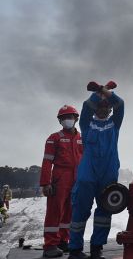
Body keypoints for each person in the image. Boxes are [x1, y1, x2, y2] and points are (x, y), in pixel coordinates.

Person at [69, 81, 124, 259]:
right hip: (87, 173)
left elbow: (120, 104)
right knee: (80, 210)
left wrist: (104, 92)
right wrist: (99, 94)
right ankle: (75, 250)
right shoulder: (86, 123)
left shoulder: (115, 123)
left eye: (106, 107)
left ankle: (96, 249)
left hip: (108, 172)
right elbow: (86, 106)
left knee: (104, 211)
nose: (103, 109)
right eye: (99, 107)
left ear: (109, 110)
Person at [40, 105, 84, 258]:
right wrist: (45, 183)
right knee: (54, 212)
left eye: (70, 117)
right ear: (60, 121)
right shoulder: (54, 138)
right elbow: (47, 162)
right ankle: (50, 245)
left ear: (76, 118)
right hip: (60, 179)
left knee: (70, 212)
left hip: (77, 179)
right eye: (64, 118)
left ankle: (63, 240)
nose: (67, 120)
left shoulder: (81, 138)